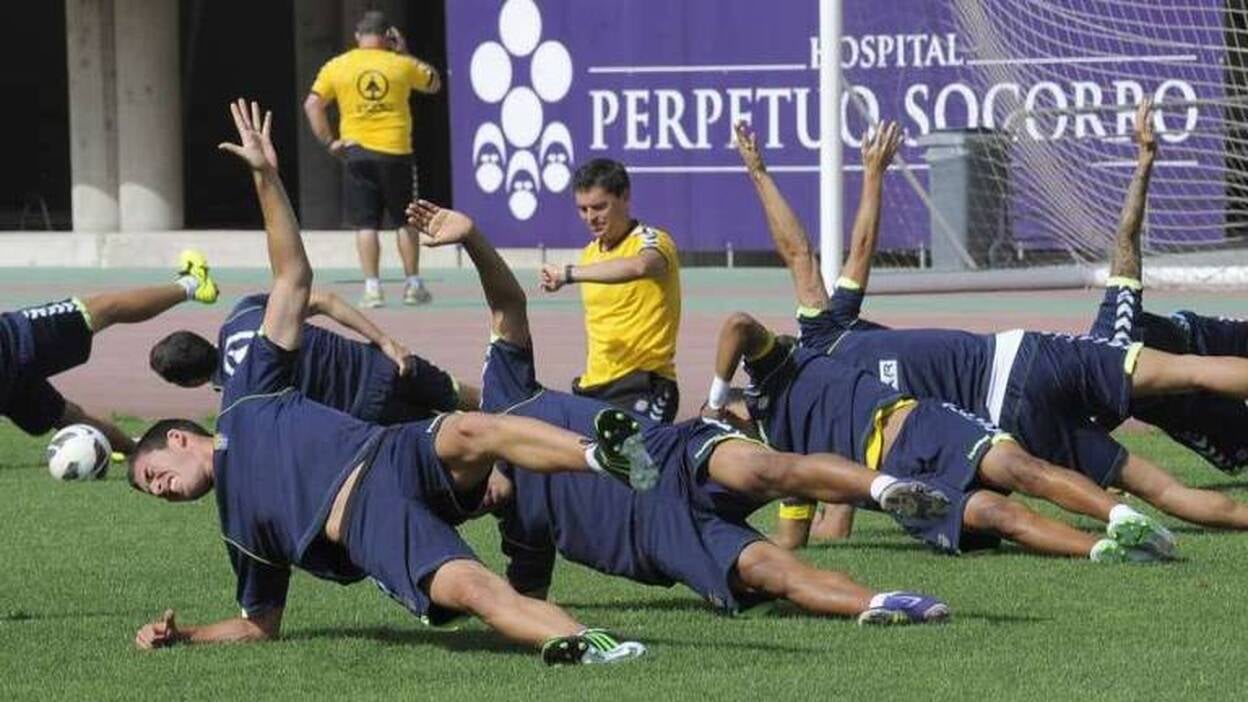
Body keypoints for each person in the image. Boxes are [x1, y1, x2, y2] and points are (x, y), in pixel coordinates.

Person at [130, 99, 650, 667]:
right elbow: (259, 624)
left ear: (179, 438)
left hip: (388, 451)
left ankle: (602, 455)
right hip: (364, 518)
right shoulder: (236, 524)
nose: (161, 490)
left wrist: (266, 176)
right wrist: (186, 637)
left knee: (474, 429)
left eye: (154, 475)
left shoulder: (245, 392)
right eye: (153, 491)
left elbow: (294, 277)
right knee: (471, 586)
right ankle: (582, 641)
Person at [406, 198, 951, 625]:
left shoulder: (507, 396)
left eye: (469, 486)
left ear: (468, 448)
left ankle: (885, 488)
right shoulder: (520, 531)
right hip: (664, 537)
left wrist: (474, 239)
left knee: (764, 469)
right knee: (771, 571)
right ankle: (880, 601)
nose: (481, 499)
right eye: (469, 506)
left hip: (667, 454)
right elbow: (523, 603)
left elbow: (508, 304)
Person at [731, 116, 1248, 547]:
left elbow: (831, 523)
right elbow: (816, 252)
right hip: (1024, 357)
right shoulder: (821, 339)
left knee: (1155, 487)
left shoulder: (810, 416)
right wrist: (772, 172)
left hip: (1011, 419)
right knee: (1190, 372)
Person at [1088, 98, 1248, 474]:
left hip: (1198, 337)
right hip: (1190, 408)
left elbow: (1126, 238)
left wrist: (1144, 163)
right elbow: (1084, 435)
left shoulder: (1117, 326)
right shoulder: (1106, 389)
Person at [0, 250, 218, 458]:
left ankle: (134, 451)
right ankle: (193, 284)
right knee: (104, 309)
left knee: (69, 418)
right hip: (10, 343)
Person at [149, 288, 480, 423]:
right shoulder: (244, 311)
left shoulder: (239, 399)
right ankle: (523, 408)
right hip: (382, 363)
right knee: (472, 399)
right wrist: (385, 342)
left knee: (460, 440)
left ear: (190, 383)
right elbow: (325, 301)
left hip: (366, 413)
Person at [303, 10, 440, 308]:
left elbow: (313, 103)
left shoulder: (337, 66)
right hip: (396, 153)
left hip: (356, 153)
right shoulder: (401, 65)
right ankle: (413, 284)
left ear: (357, 37)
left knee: (365, 224)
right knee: (405, 221)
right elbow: (433, 82)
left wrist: (330, 142)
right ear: (388, 37)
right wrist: (404, 52)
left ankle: (372, 288)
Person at [539, 158, 682, 422]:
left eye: (599, 207)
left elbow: (641, 266)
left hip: (645, 384)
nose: (591, 218)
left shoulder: (652, 240)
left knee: (636, 460)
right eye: (583, 209)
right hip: (594, 388)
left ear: (625, 197)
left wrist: (568, 275)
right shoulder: (589, 255)